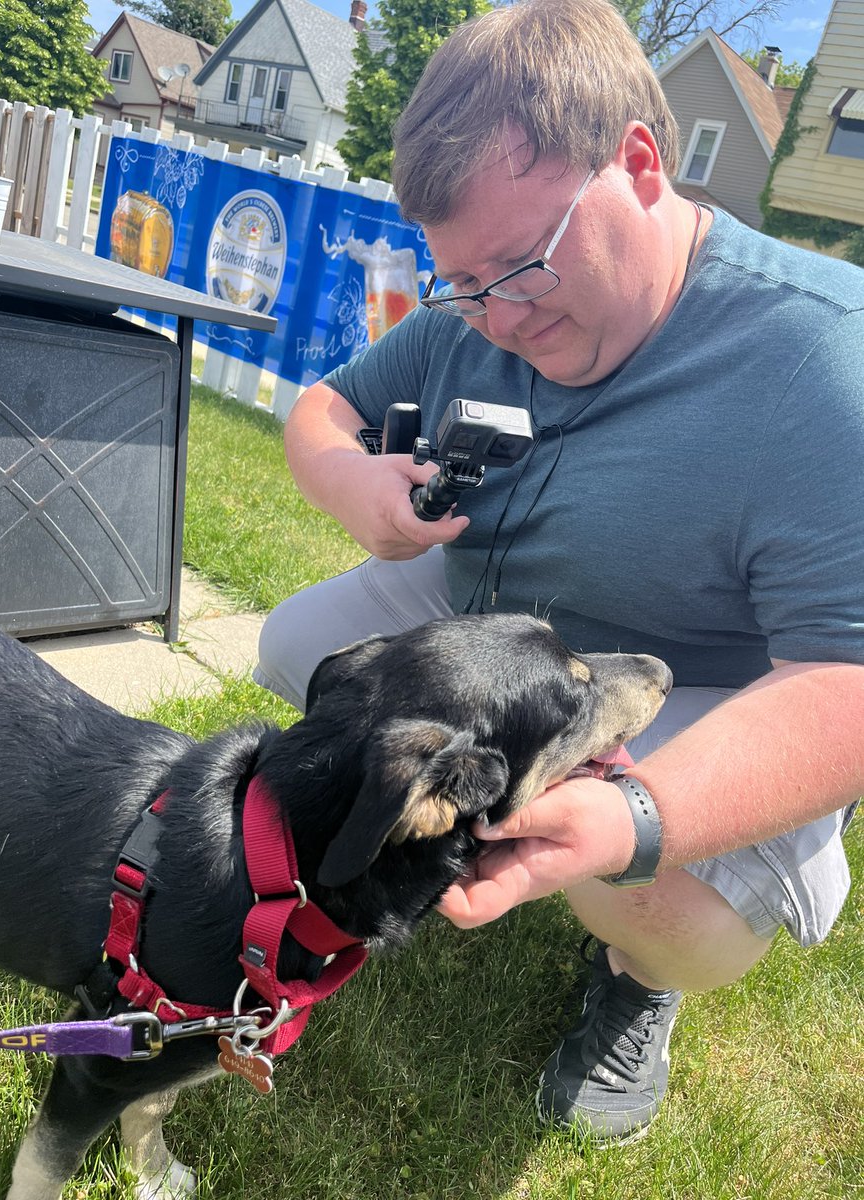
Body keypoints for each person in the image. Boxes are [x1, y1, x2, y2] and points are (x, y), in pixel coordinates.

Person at [254, 0, 864, 1144]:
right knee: (297, 649)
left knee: (661, 898)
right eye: (464, 285)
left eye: (522, 269)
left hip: (710, 685)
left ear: (642, 161)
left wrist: (637, 814)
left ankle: (642, 979)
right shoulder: (477, 316)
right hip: (496, 613)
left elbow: (850, 683)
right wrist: (357, 491)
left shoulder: (823, 361)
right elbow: (322, 412)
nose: (500, 319)